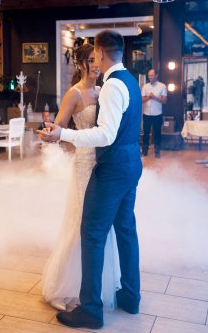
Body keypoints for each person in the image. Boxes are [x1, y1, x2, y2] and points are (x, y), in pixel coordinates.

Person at [39, 30, 143, 329]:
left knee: (93, 234)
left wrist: (65, 134)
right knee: (125, 230)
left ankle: (91, 310)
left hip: (111, 168)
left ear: (100, 52)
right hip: (130, 163)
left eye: (95, 53)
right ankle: (131, 297)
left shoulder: (110, 87)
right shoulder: (131, 81)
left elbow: (106, 134)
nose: (95, 59)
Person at [41, 43, 120, 312]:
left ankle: (97, 285)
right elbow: (60, 128)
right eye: (91, 60)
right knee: (80, 224)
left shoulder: (103, 91)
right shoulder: (74, 94)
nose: (97, 65)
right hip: (84, 164)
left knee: (101, 226)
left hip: (104, 165)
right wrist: (50, 132)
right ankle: (64, 286)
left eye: (98, 59)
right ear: (80, 63)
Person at [142, 68, 167, 158]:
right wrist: (149, 97)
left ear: (156, 75)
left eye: (152, 75)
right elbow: (142, 100)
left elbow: (164, 100)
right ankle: (145, 151)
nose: (150, 77)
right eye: (149, 76)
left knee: (157, 133)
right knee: (146, 133)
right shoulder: (145, 86)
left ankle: (157, 151)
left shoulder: (162, 86)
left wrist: (155, 97)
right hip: (146, 114)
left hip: (157, 114)